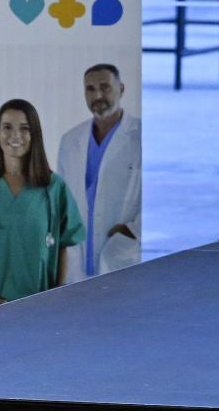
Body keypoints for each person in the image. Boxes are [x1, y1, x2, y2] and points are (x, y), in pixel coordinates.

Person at [0, 99, 84, 311]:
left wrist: (57, 292)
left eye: (25, 128)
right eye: (7, 127)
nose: (15, 136)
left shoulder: (54, 188)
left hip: (40, 307)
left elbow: (64, 244)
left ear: (34, 135)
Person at [55, 63, 142, 280]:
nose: (98, 95)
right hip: (78, 260)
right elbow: (62, 201)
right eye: (90, 89)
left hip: (122, 253)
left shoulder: (142, 136)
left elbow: (159, 195)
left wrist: (134, 230)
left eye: (105, 87)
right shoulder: (70, 140)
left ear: (121, 89)